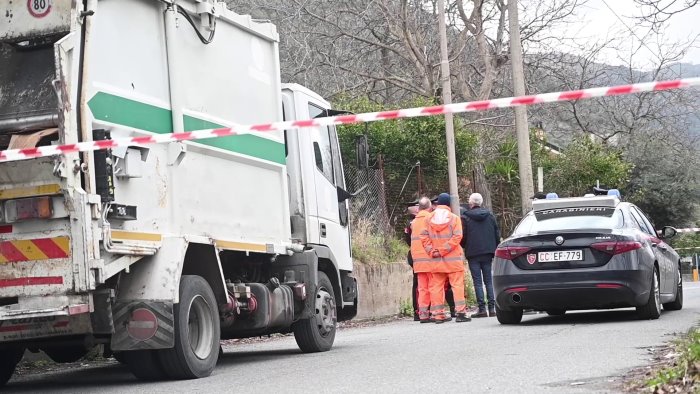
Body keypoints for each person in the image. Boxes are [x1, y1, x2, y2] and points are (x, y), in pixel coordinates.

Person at [420, 193, 471, 323]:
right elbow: (457, 237)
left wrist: (432, 251)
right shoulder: (454, 219)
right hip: (453, 260)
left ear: (437, 204)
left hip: (436, 260)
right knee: (457, 286)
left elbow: (424, 237)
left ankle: (438, 314)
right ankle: (460, 313)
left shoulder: (428, 219)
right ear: (449, 204)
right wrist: (443, 250)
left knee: (436, 287)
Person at [461, 193, 500, 318]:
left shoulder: (466, 217)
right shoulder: (489, 216)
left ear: (471, 203)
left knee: (477, 282)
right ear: (481, 202)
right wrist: (495, 247)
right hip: (488, 252)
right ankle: (492, 308)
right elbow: (496, 233)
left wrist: (464, 246)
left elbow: (463, 236)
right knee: (488, 280)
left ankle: (482, 309)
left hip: (473, 252)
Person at [409, 197, 435, 323]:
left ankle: (423, 314)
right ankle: (436, 313)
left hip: (417, 259)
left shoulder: (414, 222)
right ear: (429, 207)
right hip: (429, 257)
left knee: (422, 288)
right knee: (434, 286)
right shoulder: (430, 219)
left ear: (419, 208)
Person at [403, 204, 420, 321]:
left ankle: (417, 311)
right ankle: (421, 310)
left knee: (417, 284)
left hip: (413, 254)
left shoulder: (409, 224)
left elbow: (408, 240)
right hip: (419, 255)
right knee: (420, 284)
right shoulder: (416, 222)